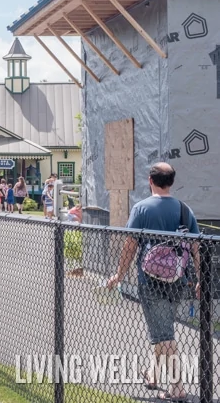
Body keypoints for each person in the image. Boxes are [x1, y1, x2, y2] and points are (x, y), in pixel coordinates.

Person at [106, 163, 199, 402]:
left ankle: (177, 387)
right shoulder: (184, 210)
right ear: (172, 182)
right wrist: (200, 279)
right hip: (178, 278)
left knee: (164, 334)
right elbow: (197, 247)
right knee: (162, 329)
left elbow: (130, 245)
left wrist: (119, 274)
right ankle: (153, 374)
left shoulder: (142, 209)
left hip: (150, 280)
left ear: (150, 180)